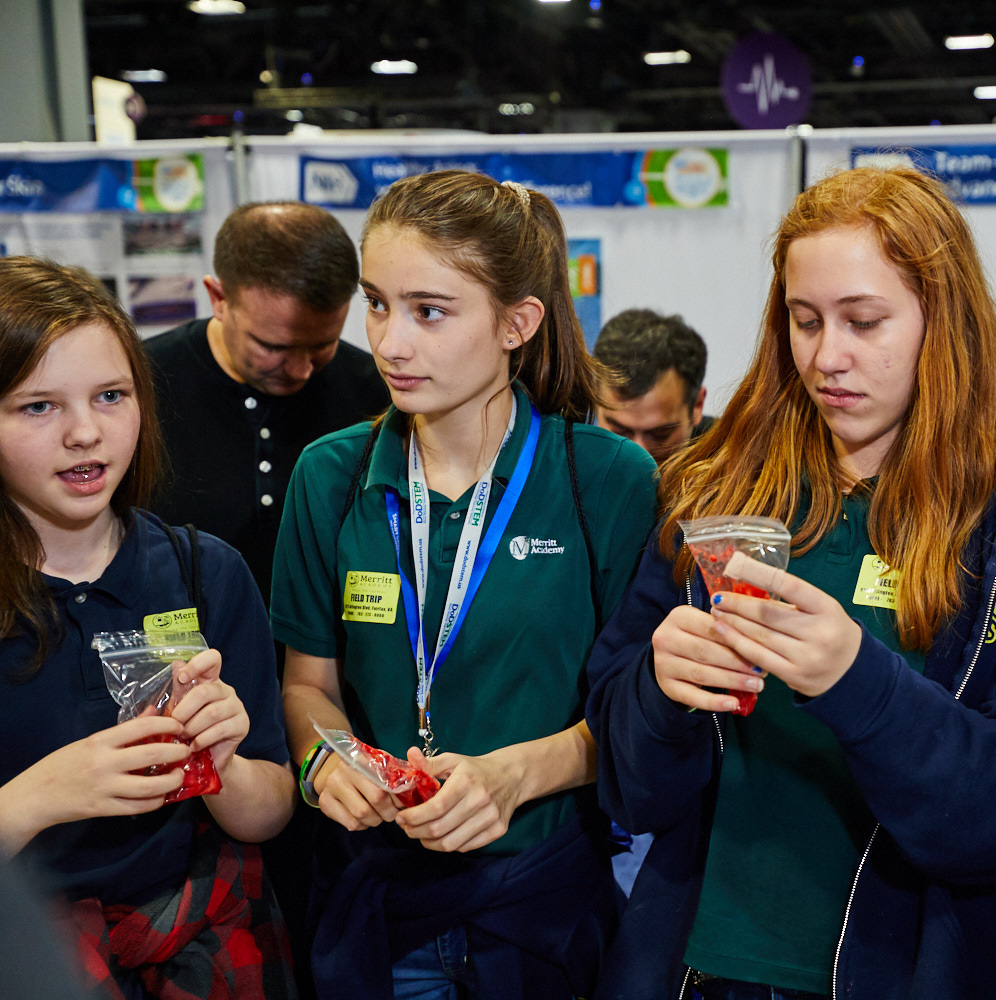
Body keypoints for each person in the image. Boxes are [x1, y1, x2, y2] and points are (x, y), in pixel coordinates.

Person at [586, 166, 996, 999]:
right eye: (805, 321)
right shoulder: (715, 488)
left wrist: (860, 684)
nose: (828, 357)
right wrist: (658, 689)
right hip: (692, 969)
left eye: (865, 322)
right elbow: (631, 788)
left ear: (945, 319)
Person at [272, 171, 658, 999]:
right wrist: (329, 762)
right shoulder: (329, 475)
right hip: (377, 914)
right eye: (376, 304)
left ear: (517, 323)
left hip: (547, 914)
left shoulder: (608, 480)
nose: (389, 342)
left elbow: (640, 717)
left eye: (429, 311)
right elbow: (307, 686)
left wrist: (518, 774)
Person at [0, 257, 296, 997]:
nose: (85, 433)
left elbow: (268, 811)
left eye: (111, 396)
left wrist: (222, 760)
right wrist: (39, 796)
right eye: (38, 406)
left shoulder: (203, 572)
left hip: (201, 944)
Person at [146, 201, 389, 602]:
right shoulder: (142, 386)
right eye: (273, 346)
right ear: (218, 298)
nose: (300, 370)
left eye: (322, 345)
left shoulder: (380, 395)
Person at [593, 308, 714, 464]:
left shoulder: (736, 467)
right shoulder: (564, 461)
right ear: (594, 397)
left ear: (697, 405)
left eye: (660, 434)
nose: (639, 457)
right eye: (620, 432)